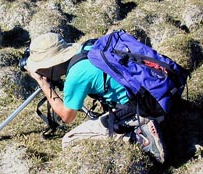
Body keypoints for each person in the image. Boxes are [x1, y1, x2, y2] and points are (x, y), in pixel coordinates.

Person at [24, 32, 165, 163]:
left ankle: (141, 137)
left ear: (51, 64)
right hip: (155, 91)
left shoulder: (76, 76)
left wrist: (43, 84)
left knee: (70, 140)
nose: (38, 70)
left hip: (143, 106)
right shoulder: (89, 48)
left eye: (40, 67)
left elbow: (67, 117)